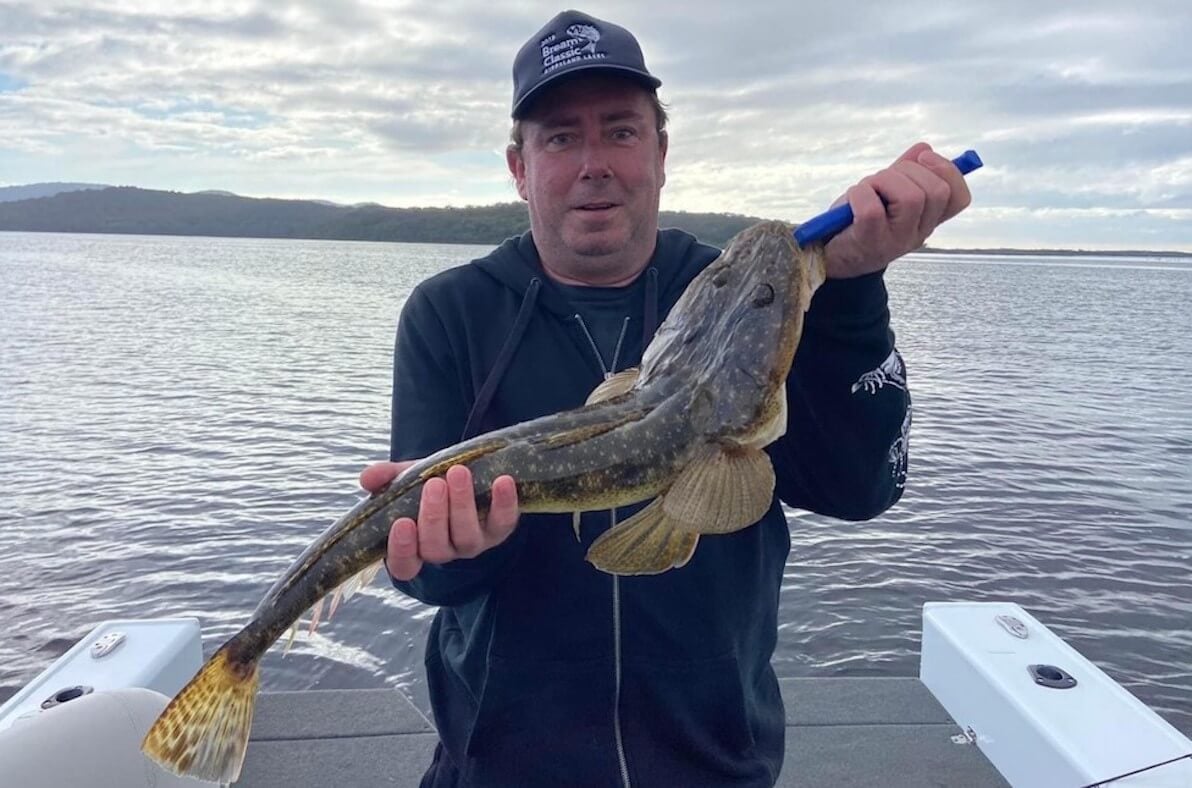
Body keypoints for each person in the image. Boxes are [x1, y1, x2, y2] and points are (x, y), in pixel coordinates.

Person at [359, 10, 971, 787]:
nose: (594, 163)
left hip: (713, 760)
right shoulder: (451, 312)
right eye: (560, 137)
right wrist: (451, 550)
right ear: (519, 167)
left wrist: (850, 292)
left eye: (620, 131)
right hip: (502, 765)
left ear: (660, 151)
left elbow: (862, 487)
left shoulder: (741, 302)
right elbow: (426, 577)